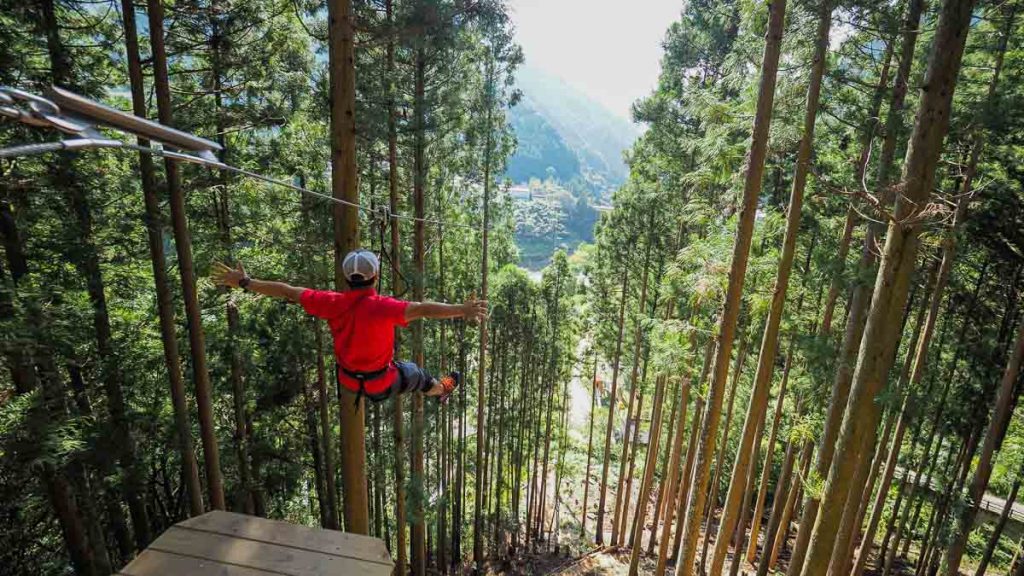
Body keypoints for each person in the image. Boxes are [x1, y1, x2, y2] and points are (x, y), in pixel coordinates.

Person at [212, 249, 486, 403]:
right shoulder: (384, 307)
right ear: (376, 276)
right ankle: (443, 390)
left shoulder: (331, 302)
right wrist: (462, 310)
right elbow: (424, 309)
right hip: (380, 382)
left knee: (406, 370)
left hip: (347, 381)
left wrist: (245, 282)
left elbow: (287, 291)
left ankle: (439, 389)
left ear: (346, 278)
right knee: (417, 374)